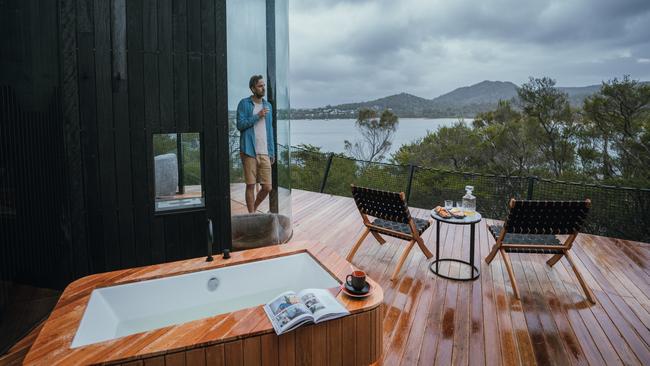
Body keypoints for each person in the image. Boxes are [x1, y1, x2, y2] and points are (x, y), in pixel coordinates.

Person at [236, 75, 275, 213]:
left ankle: (254, 208)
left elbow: (269, 130)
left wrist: (271, 151)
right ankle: (251, 215)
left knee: (267, 187)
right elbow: (240, 125)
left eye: (263, 85)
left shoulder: (268, 105)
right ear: (253, 88)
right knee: (251, 185)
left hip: (264, 151)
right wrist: (258, 115)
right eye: (260, 86)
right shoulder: (244, 103)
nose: (263, 88)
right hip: (249, 150)